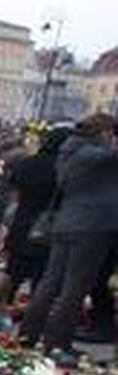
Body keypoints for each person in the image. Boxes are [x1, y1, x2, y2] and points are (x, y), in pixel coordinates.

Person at [20, 114, 118, 357]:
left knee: (50, 283)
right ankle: (58, 343)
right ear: (102, 132)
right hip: (92, 227)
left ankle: (28, 335)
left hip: (67, 223)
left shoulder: (69, 150)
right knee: (75, 286)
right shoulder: (91, 154)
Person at [1, 127, 66, 294]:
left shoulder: (27, 163)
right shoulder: (64, 169)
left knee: (11, 277)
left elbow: (13, 185)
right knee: (41, 281)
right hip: (49, 230)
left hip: (21, 223)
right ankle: (30, 316)